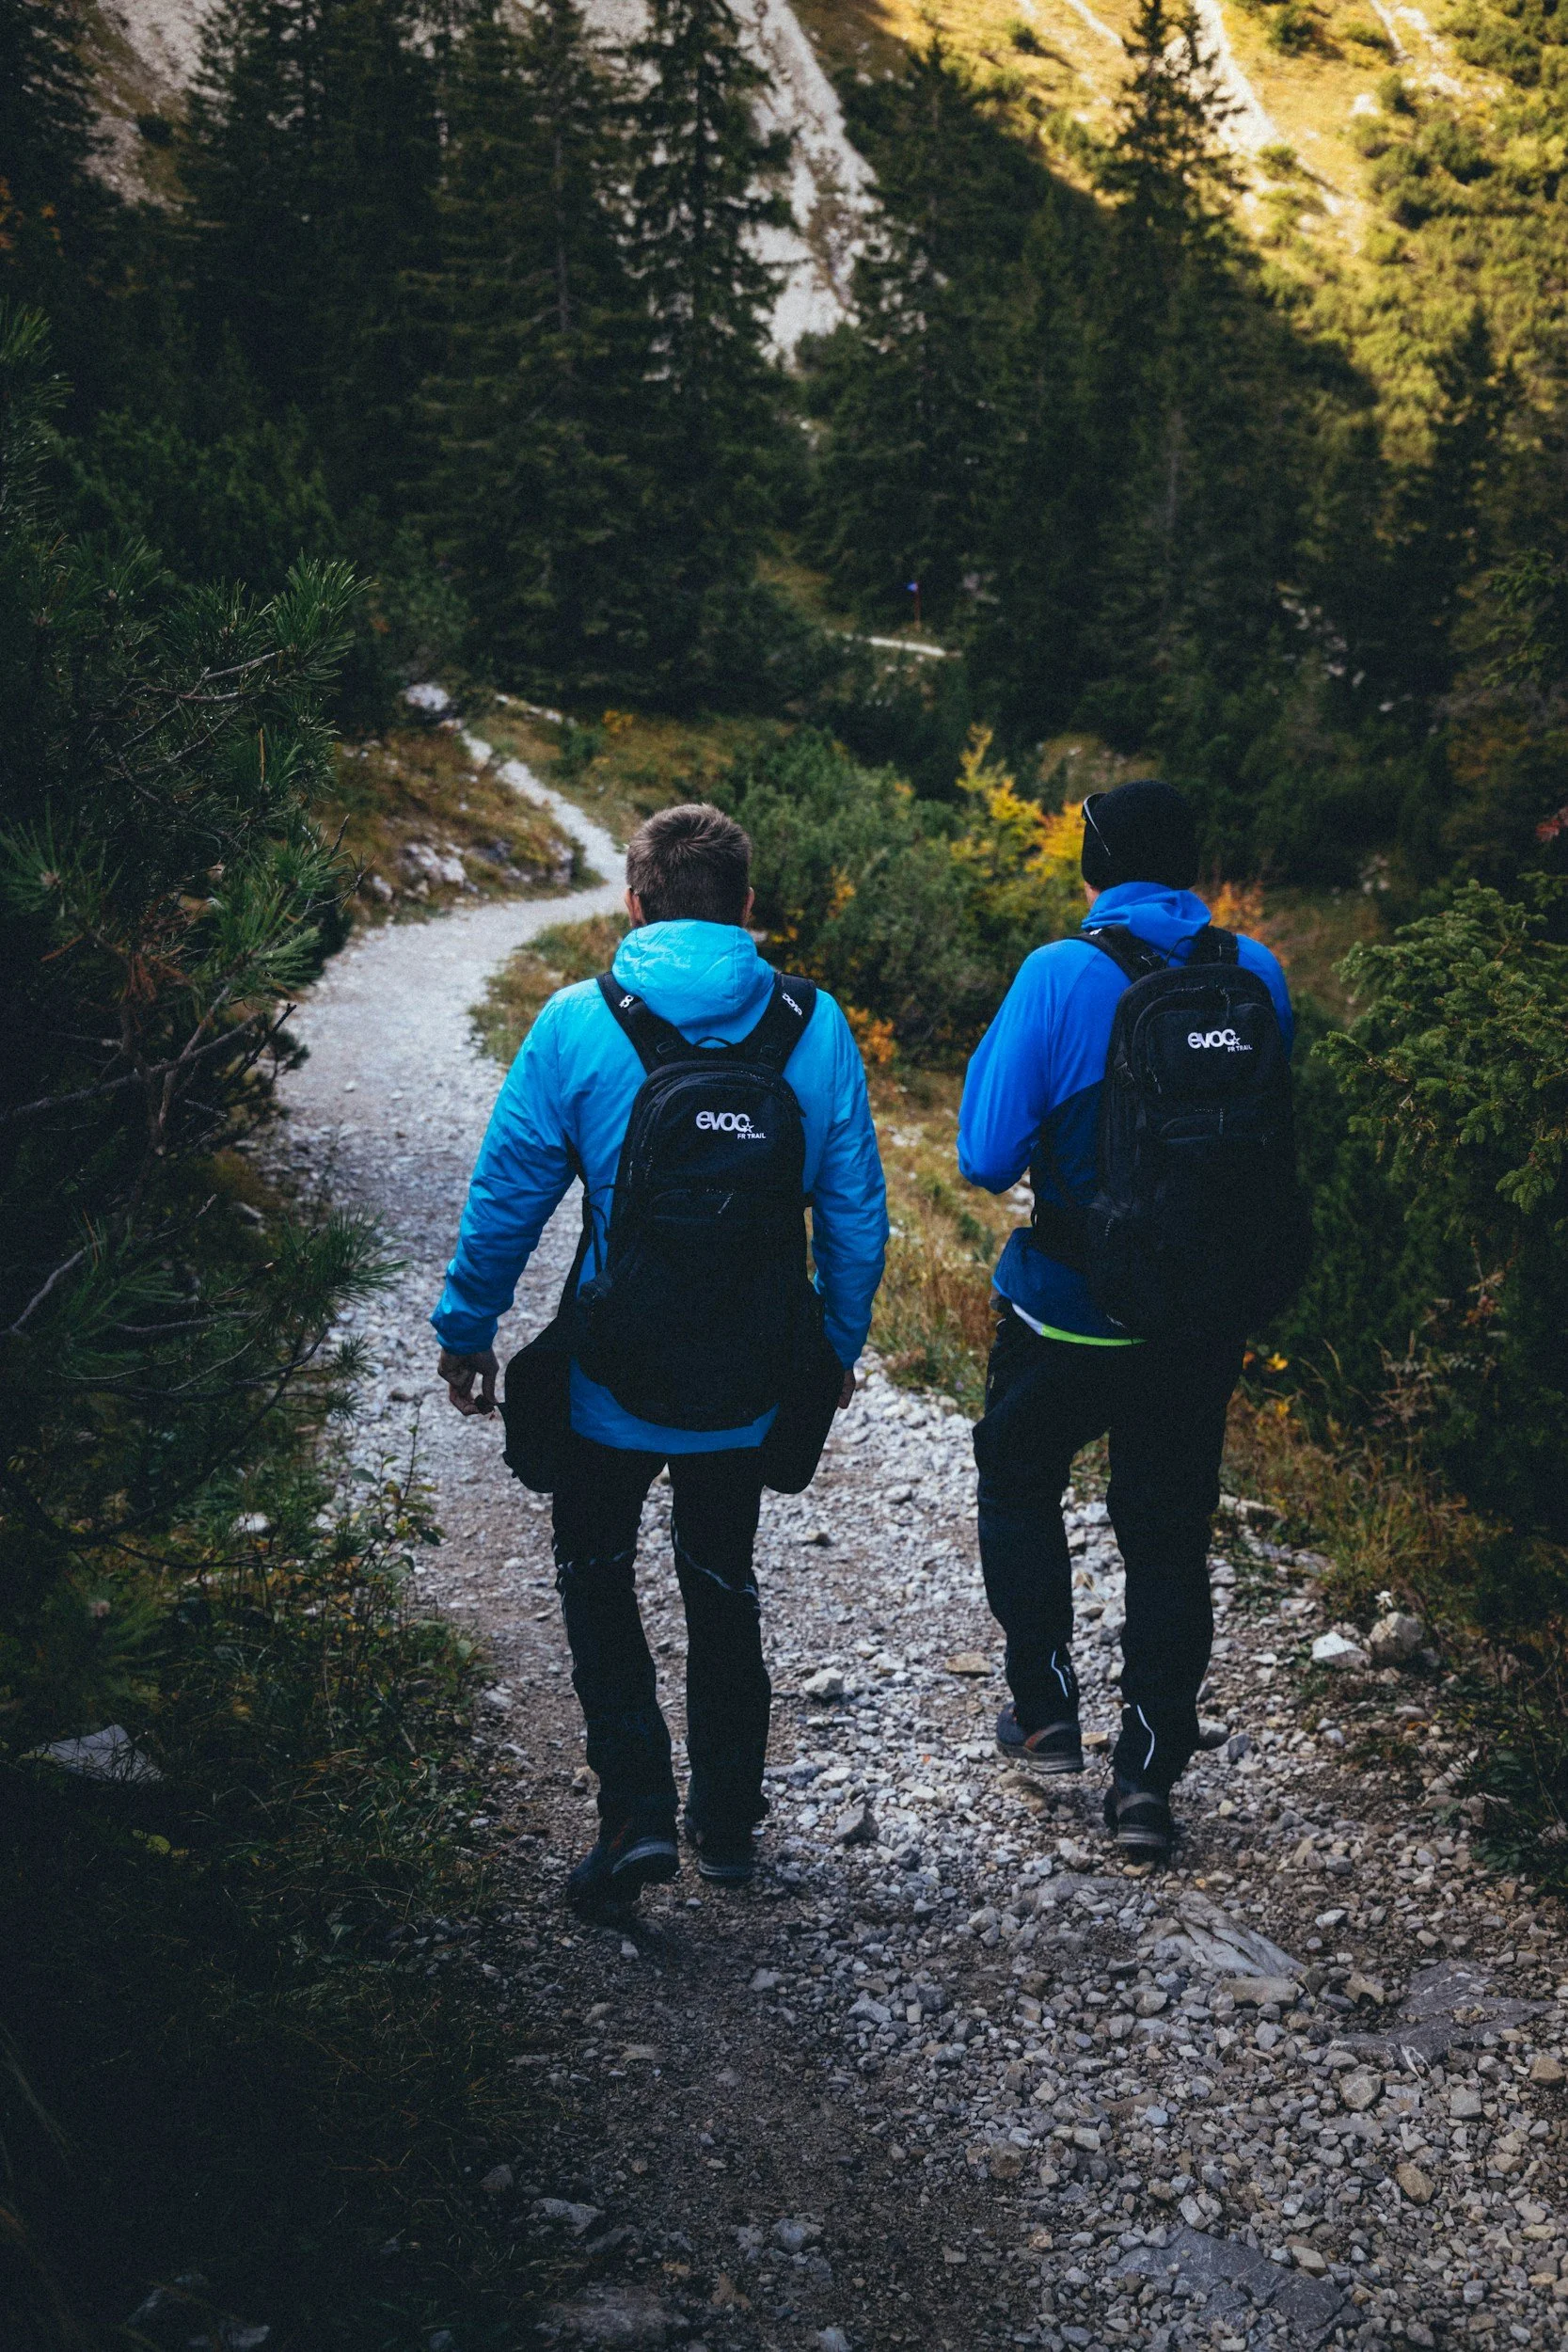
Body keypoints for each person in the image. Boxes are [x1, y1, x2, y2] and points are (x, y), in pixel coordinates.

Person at [432, 803, 888, 1908]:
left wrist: (467, 1329)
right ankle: (727, 1825)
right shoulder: (812, 1024)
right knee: (721, 1584)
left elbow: (507, 1199)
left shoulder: (577, 1021)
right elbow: (856, 1213)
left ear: (633, 903)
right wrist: (829, 1352)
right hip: (745, 1384)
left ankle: (634, 1812)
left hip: (607, 1379)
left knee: (594, 1578)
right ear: (744, 908)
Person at [957, 779, 1293, 1863]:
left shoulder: (1061, 972)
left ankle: (1047, 1710)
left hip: (1064, 1309)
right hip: (1197, 1316)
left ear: (1091, 864)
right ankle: (1145, 1780)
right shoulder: (1255, 974)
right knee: (1165, 1539)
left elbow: (980, 1155)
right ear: (1191, 867)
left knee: (1016, 1477)